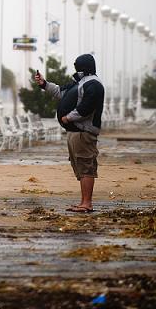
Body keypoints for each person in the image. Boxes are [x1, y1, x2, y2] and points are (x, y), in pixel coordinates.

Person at [34, 53, 104, 213]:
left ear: (83, 67)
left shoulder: (94, 84)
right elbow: (59, 92)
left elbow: (86, 107)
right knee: (79, 165)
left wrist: (68, 118)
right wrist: (44, 84)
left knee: (86, 166)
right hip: (75, 132)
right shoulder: (79, 83)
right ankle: (83, 202)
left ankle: (87, 203)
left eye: (78, 65)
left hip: (84, 132)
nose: (76, 68)